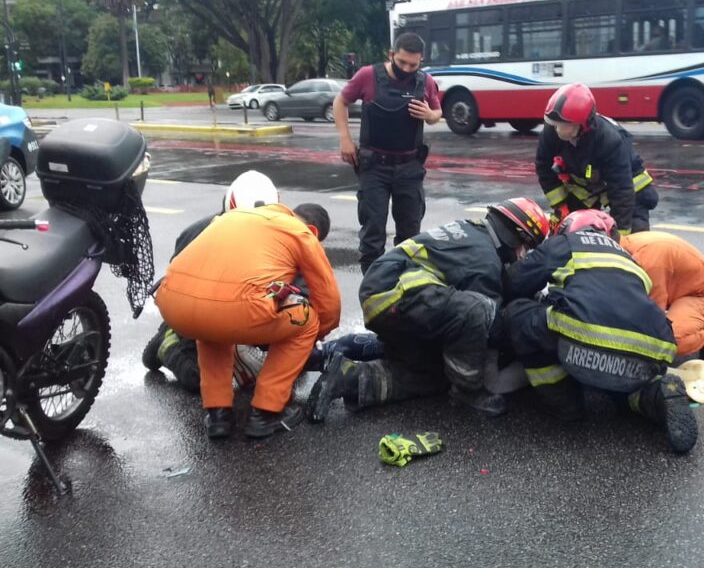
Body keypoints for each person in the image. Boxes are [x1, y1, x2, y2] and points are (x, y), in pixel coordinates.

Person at [306, 197, 549, 422]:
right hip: (396, 296)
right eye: (527, 248)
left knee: (432, 376)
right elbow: (489, 324)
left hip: (391, 298)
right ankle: (468, 392)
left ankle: (349, 378)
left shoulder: (474, 232)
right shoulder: (484, 259)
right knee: (480, 310)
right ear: (516, 237)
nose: (523, 255)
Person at [499, 209, 697, 454]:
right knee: (620, 390)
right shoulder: (630, 260)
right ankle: (656, 395)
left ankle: (565, 403)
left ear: (568, 228)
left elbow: (514, 282)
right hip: (654, 348)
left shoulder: (566, 244)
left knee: (519, 313)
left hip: (590, 335)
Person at [155, 201, 341, 440]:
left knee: (212, 327)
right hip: (235, 309)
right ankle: (266, 412)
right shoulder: (300, 232)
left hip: (172, 304)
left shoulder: (232, 217)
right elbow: (329, 302)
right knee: (308, 320)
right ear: (314, 232)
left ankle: (218, 415)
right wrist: (318, 334)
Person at [142, 171, 284, 392]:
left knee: (294, 360)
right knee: (201, 380)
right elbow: (183, 294)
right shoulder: (196, 235)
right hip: (202, 316)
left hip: (242, 311)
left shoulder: (282, 234)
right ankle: (168, 343)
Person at [332, 32, 443, 274]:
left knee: (410, 235)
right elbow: (340, 101)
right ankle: (373, 288)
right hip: (374, 167)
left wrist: (430, 115)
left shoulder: (425, 81)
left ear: (421, 61)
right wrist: (345, 139)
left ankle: (405, 286)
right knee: (372, 235)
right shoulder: (368, 75)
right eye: (402, 62)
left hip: (409, 168)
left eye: (413, 65)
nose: (407, 69)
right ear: (391, 54)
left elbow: (437, 112)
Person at [536, 82, 657, 235]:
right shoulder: (551, 132)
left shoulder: (609, 140)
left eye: (562, 124)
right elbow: (543, 167)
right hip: (590, 188)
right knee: (571, 231)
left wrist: (620, 236)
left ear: (581, 124)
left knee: (634, 237)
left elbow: (622, 191)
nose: (557, 129)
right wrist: (561, 205)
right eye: (554, 124)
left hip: (630, 190)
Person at [620, 230, 704, 366]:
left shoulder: (648, 259)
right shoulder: (625, 246)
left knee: (669, 341)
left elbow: (653, 314)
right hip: (679, 292)